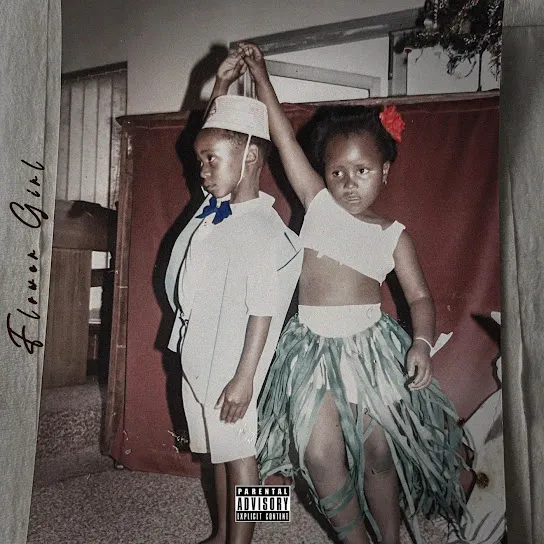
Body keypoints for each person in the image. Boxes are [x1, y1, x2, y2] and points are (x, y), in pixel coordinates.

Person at [237, 43, 466, 544]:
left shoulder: (394, 235)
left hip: (370, 351)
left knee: (378, 453)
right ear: (323, 175)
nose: (348, 183)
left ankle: (390, 538)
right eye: (336, 172)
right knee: (318, 455)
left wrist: (421, 343)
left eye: (362, 171)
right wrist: (261, 76)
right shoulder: (317, 205)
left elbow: (420, 299)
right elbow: (282, 134)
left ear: (384, 171)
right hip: (308, 351)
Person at [164, 51, 303, 544]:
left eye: (211, 162)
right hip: (205, 354)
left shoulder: (263, 228)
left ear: (250, 160)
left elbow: (264, 312)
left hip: (235, 365)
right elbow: (221, 136)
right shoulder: (216, 208)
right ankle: (224, 532)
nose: (202, 170)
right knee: (218, 453)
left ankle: (245, 539)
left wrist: (244, 379)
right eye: (200, 160)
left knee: (242, 456)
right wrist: (219, 86)